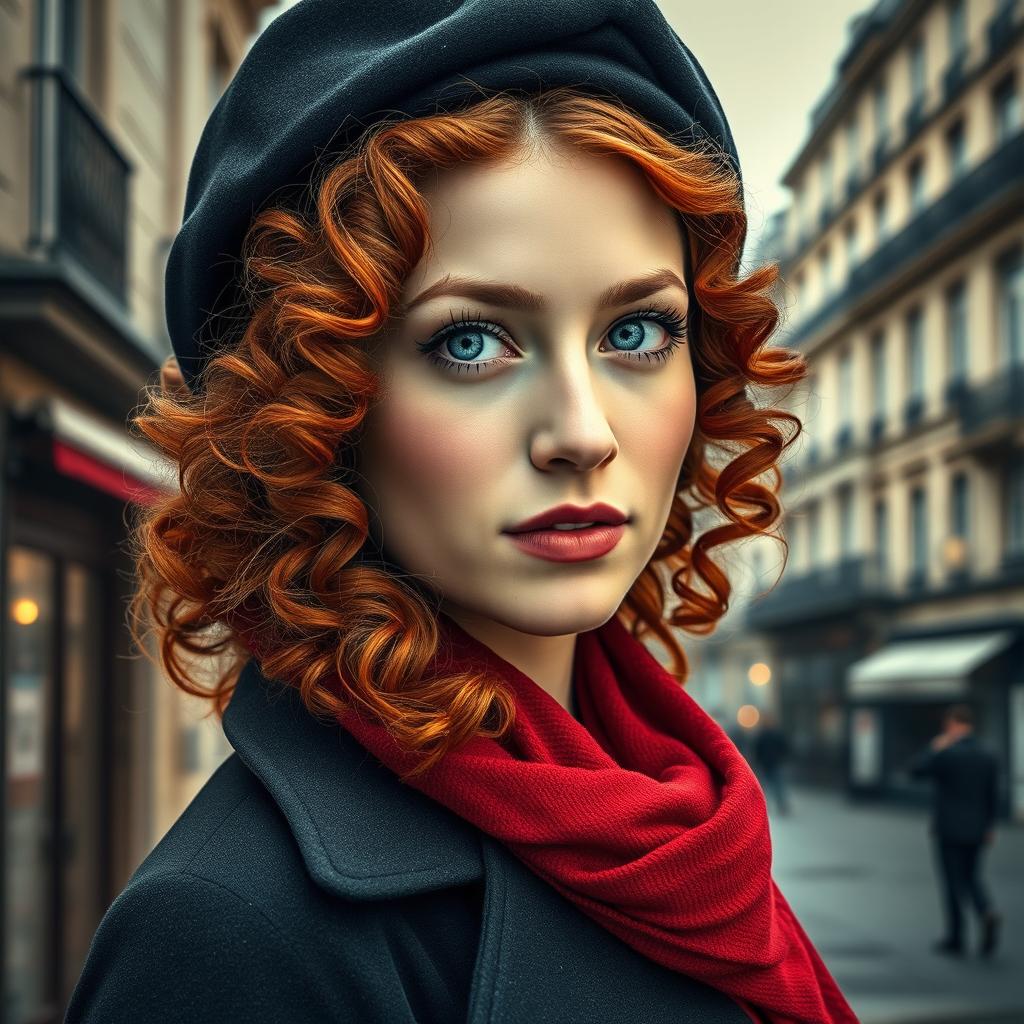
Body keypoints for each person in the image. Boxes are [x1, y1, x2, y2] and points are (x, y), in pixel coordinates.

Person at [65, 2, 858, 1023]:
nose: (581, 431)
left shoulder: (673, 816)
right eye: (471, 342)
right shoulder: (223, 936)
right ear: (318, 408)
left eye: (636, 331)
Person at [908, 703, 1002, 959]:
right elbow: (992, 795)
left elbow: (916, 772)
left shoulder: (946, 754)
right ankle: (986, 911)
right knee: (972, 876)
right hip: (978, 828)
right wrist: (989, 825)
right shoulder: (987, 754)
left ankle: (956, 937)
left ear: (952, 725)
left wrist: (934, 748)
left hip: (949, 828)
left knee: (951, 882)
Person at [754, 712, 792, 816]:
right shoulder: (764, 734)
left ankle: (781, 806)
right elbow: (758, 749)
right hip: (768, 764)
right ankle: (767, 807)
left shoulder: (773, 734)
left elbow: (784, 747)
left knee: (778, 786)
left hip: (774, 764)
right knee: (770, 787)